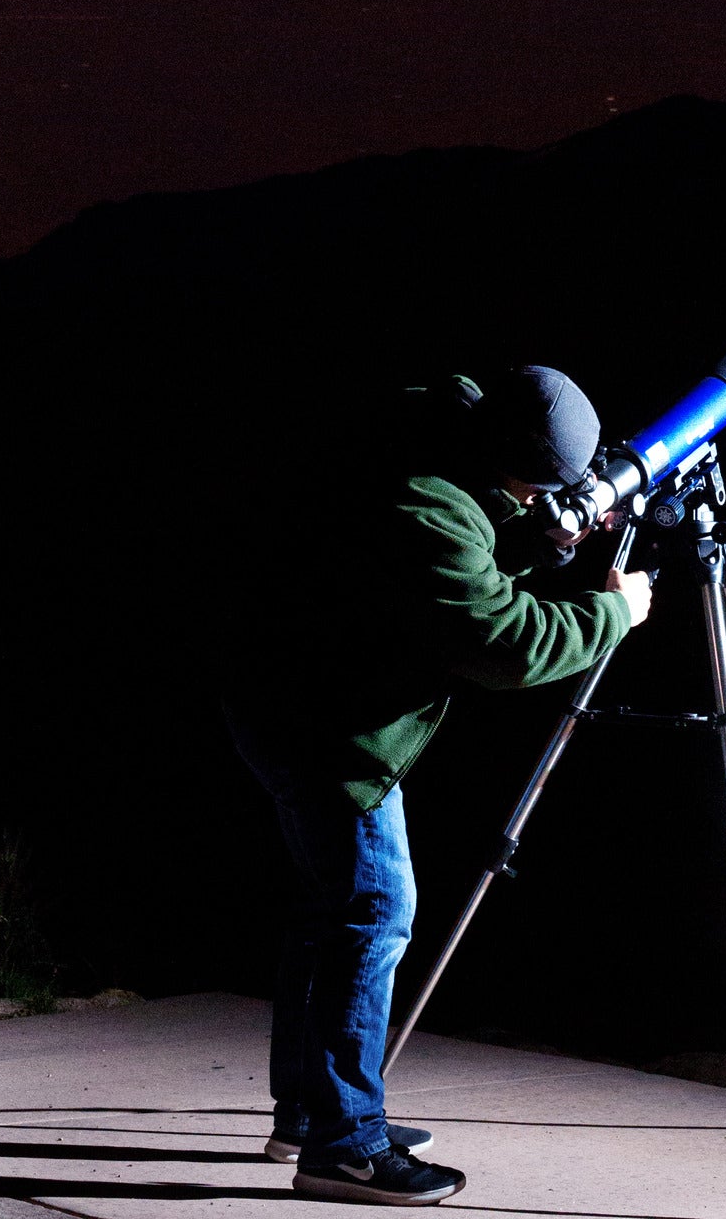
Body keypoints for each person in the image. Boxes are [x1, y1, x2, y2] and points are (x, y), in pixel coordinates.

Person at [223, 365, 651, 1208]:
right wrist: (615, 615)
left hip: (278, 696)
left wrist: (543, 537)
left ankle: (312, 1115)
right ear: (516, 465)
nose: (544, 501)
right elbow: (502, 637)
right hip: (327, 734)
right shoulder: (427, 507)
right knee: (375, 912)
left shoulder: (437, 429)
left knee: (327, 914)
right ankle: (346, 1147)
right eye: (543, 489)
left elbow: (452, 559)